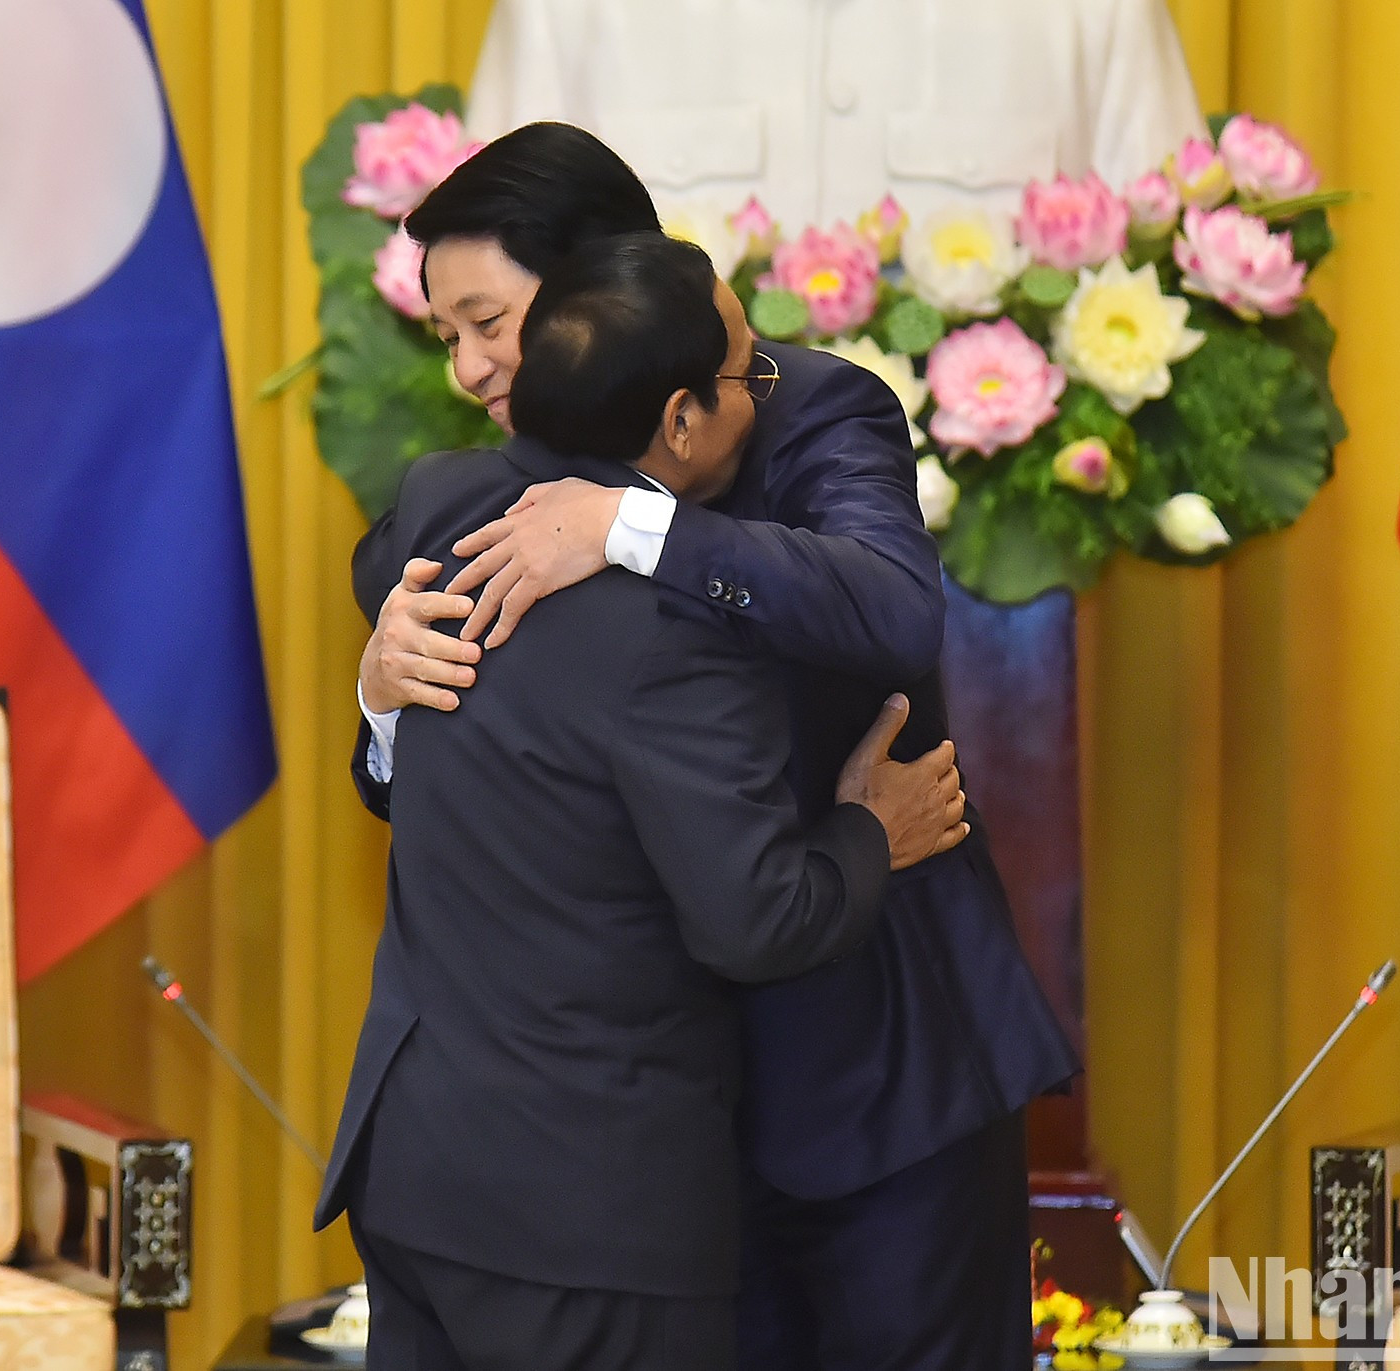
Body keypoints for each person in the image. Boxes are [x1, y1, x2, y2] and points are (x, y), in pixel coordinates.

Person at [352, 123, 1079, 1371]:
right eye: (448, 337)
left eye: (489, 322)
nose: (470, 368)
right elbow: (402, 588)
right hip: (645, 1137)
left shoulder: (801, 406)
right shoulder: (487, 487)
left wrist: (637, 529)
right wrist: (383, 688)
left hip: (870, 1076)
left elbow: (894, 608)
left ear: (603, 283)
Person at [464, 0, 1207, 226]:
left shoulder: (1094, 11)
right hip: (642, 565)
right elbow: (483, 295)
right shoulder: (564, 11)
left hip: (967, 575)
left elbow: (1168, 269)